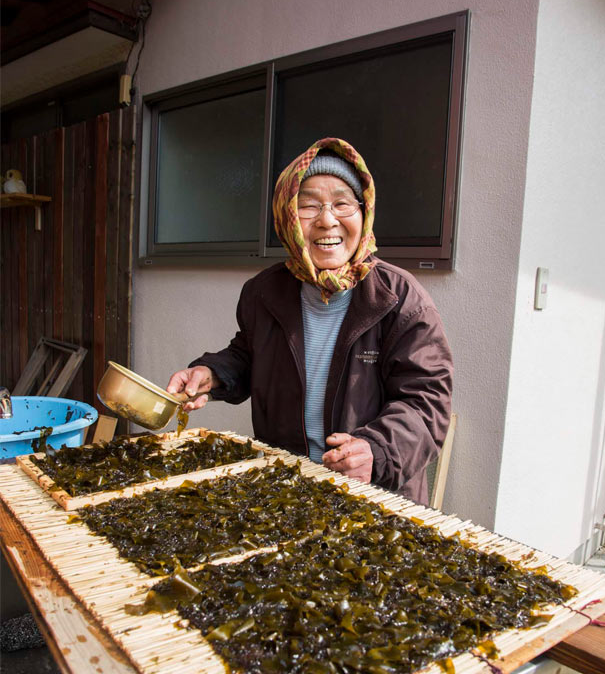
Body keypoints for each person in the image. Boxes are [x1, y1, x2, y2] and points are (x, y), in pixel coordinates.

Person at [168, 137, 453, 505]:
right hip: (289, 488)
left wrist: (376, 451)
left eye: (342, 203)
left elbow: (426, 402)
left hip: (374, 497)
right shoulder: (264, 292)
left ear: (363, 212)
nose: (327, 220)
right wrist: (211, 373)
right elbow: (250, 352)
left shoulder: (400, 299)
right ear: (286, 217)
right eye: (308, 206)